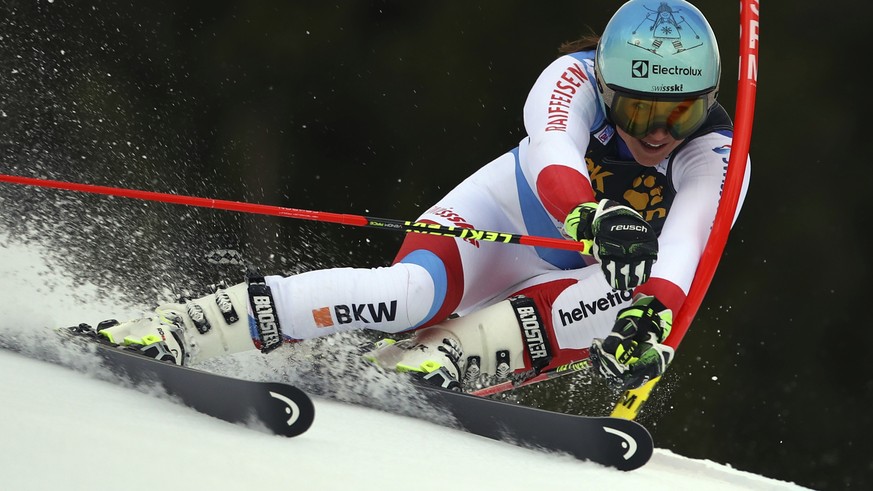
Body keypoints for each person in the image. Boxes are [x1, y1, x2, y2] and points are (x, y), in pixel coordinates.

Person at [82, 0, 750, 393]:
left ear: (709, 103)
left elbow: (686, 244)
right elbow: (551, 159)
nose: (659, 132)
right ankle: (186, 326)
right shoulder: (568, 80)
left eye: (681, 114)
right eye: (638, 114)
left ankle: (448, 358)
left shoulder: (718, 155)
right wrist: (590, 213)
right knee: (408, 296)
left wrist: (649, 324)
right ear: (606, 89)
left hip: (581, 279)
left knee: (627, 296)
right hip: (506, 219)